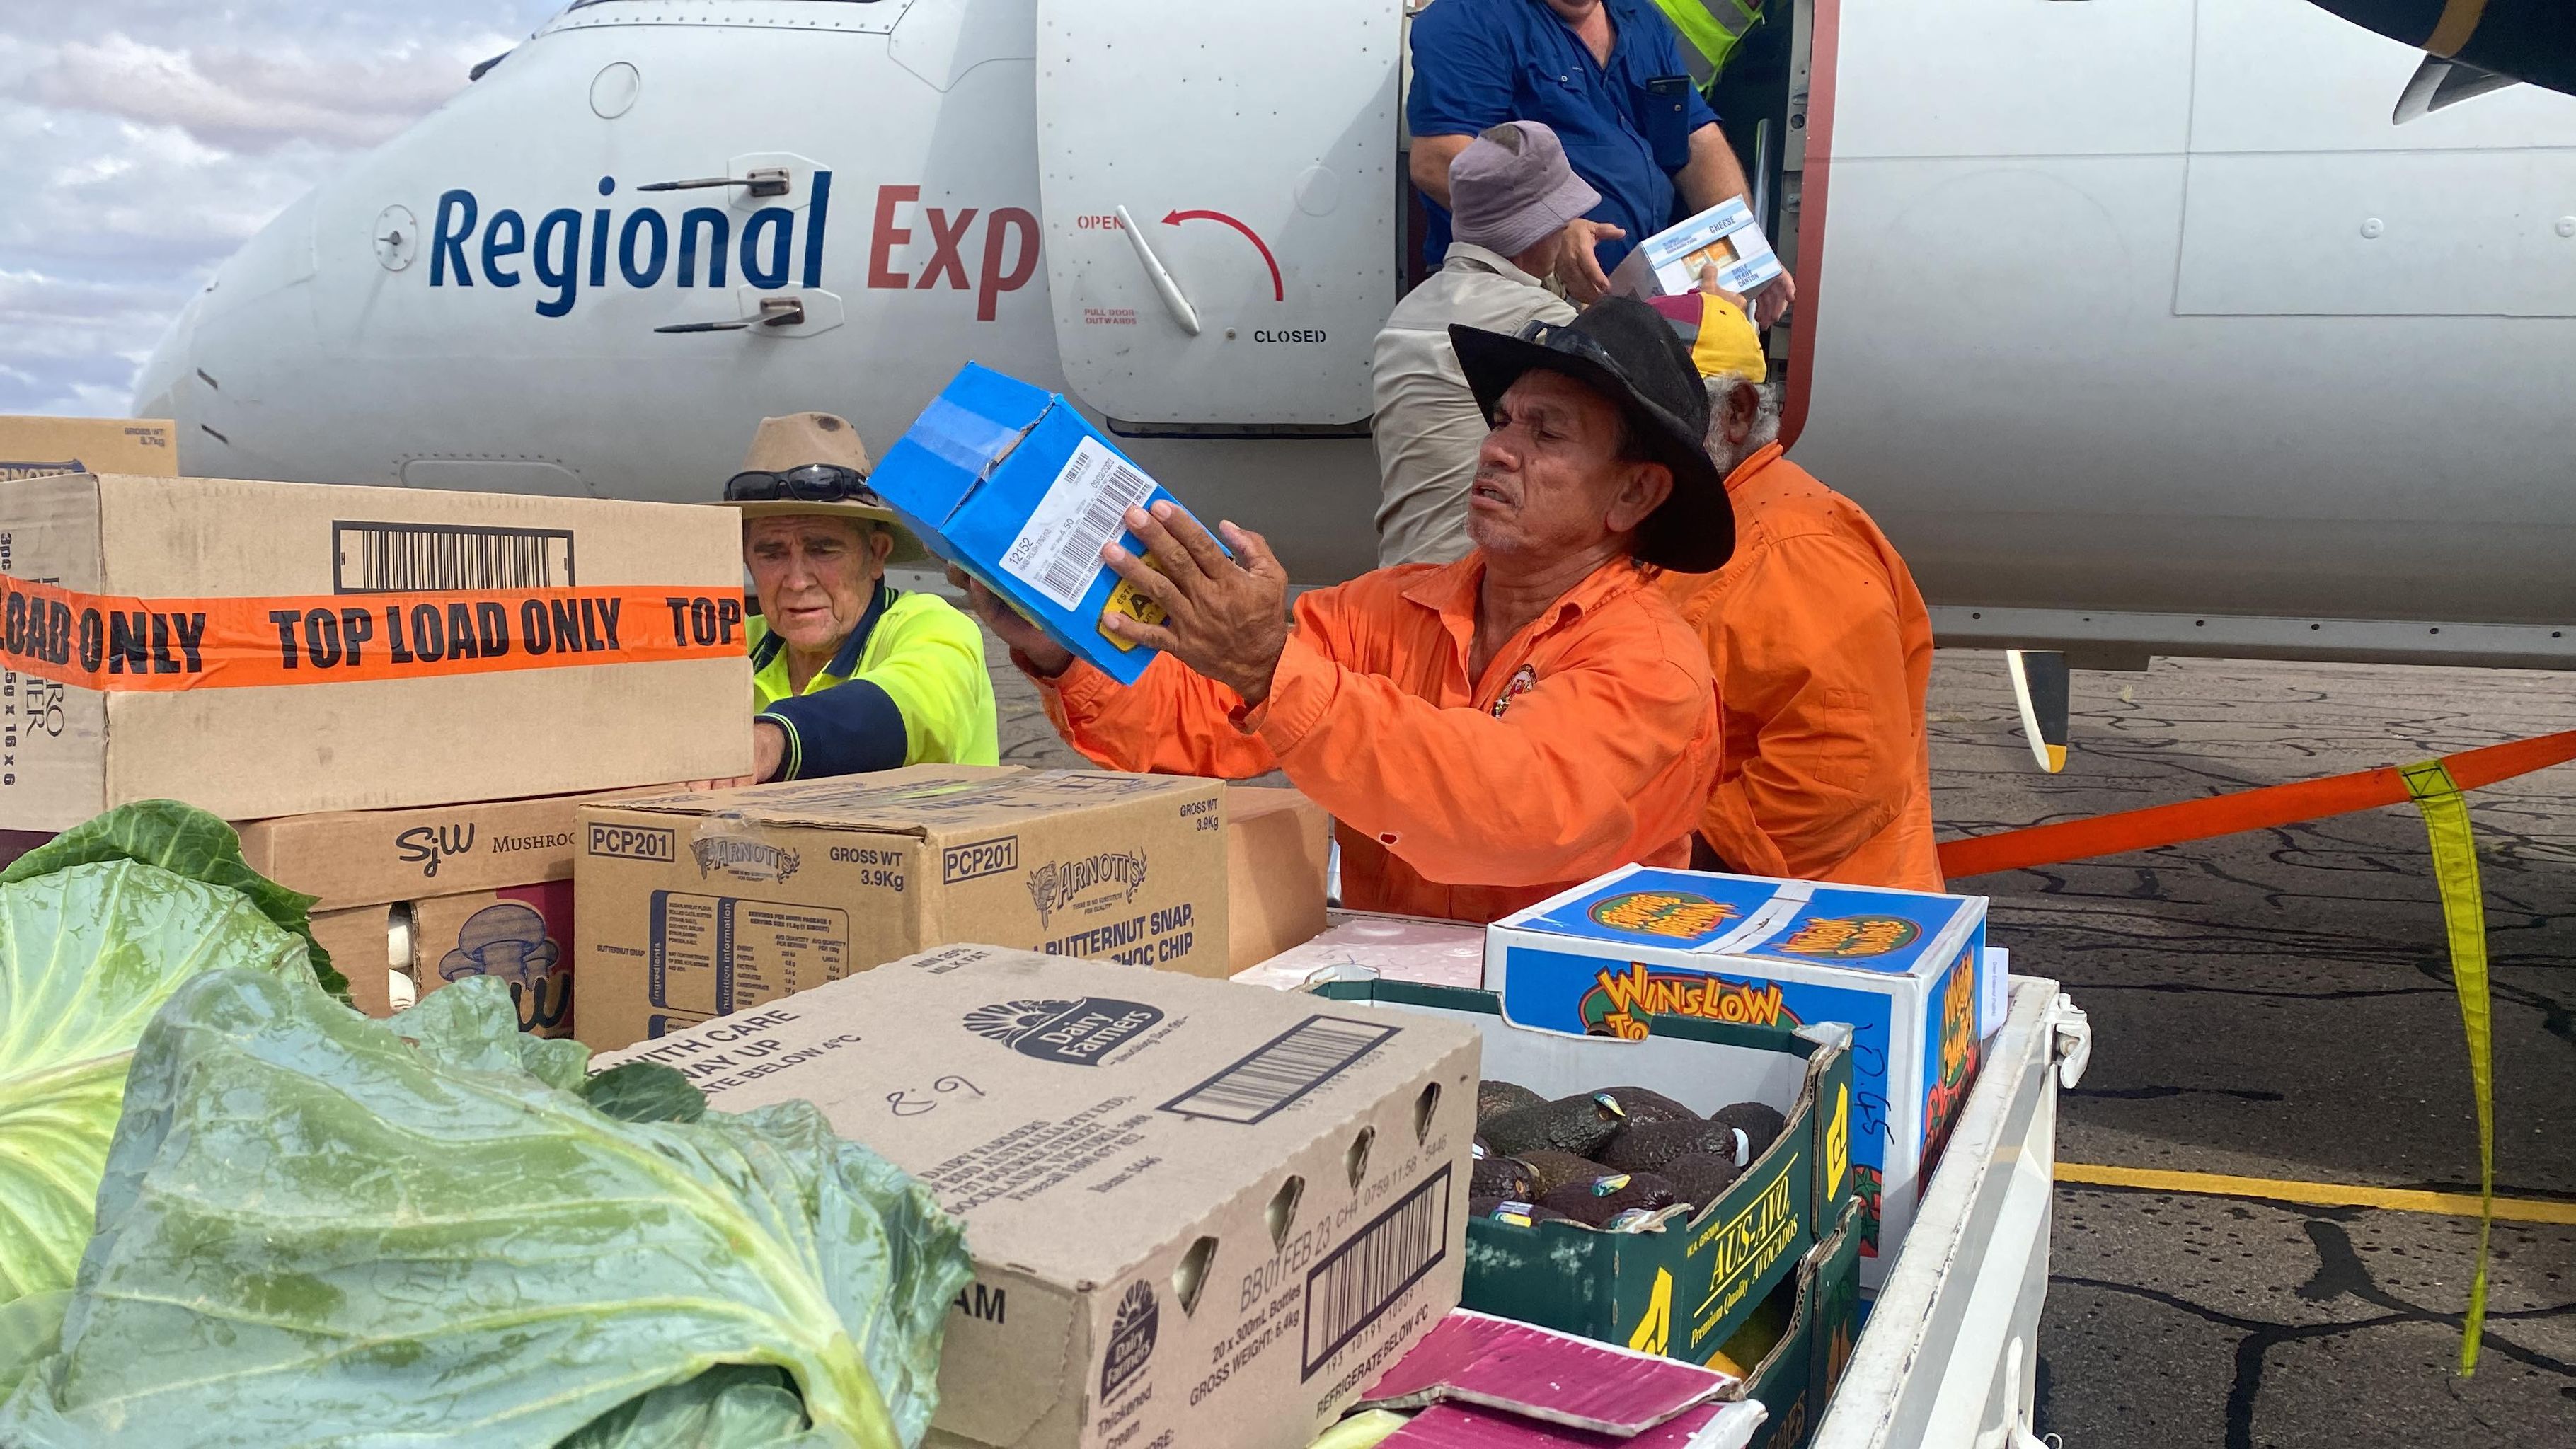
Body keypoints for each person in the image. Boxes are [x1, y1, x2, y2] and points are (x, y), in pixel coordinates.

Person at [960, 299, 1730, 923]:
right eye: (1501, 420)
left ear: (1634, 494)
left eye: (1546, 432)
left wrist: (1268, 667)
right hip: (1390, 999)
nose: (1497, 449)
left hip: (1571, 1023)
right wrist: (1063, 648)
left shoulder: (1649, 661)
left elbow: (1511, 810)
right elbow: (1195, 720)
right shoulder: (1386, 605)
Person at [1647, 293, 1941, 890]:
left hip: (1812, 934)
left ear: (1736, 412)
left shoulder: (1794, 547)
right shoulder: (1699, 521)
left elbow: (1840, 769)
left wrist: (1662, 861)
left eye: (1656, 413)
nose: (1631, 440)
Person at [1407, 0, 1795, 320]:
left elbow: (1699, 143)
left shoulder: (1641, 19)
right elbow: (1438, 158)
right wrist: (1552, 230)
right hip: (1515, 301)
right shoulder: (1469, 16)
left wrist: (1746, 245)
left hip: (1633, 304)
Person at [722, 412, 999, 781]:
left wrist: (776, 740)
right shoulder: (733, 643)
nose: (797, 581)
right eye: (771, 554)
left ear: (876, 555)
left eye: (823, 550)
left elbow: (911, 710)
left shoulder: (932, 625)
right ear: (747, 562)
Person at [1373, 120, 1592, 568]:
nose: (1568, 225)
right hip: (1472, 586)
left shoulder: (1411, 308)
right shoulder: (1538, 318)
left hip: (1397, 575)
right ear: (1537, 227)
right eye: (1560, 216)